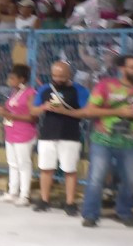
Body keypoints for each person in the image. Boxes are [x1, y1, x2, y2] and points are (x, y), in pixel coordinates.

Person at [45, 54, 133, 228]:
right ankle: (90, 214)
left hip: (130, 142)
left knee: (130, 180)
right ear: (122, 68)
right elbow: (90, 111)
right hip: (103, 140)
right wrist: (118, 112)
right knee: (96, 177)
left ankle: (124, 212)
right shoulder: (106, 86)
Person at [30, 61, 89, 214]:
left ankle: (70, 203)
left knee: (70, 170)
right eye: (55, 76)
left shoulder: (79, 90)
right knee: (46, 168)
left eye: (62, 76)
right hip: (48, 134)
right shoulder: (45, 89)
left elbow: (86, 112)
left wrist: (65, 111)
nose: (58, 79)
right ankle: (44, 200)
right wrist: (44, 107)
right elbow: (33, 111)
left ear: (69, 74)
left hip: (70, 135)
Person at [0, 64, 37, 206]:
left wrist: (10, 115)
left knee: (24, 164)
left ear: (22, 79)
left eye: (13, 78)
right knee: (12, 163)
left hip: (24, 133)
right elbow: (14, 110)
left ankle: (24, 195)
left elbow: (32, 117)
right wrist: (4, 110)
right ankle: (12, 192)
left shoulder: (30, 93)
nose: (9, 80)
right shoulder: (14, 92)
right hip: (11, 132)